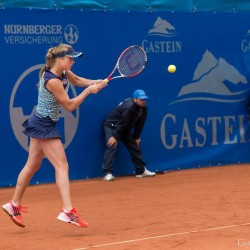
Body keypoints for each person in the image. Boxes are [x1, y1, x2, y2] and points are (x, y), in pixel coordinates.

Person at [2, 44, 106, 228]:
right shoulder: (52, 80)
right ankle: (68, 211)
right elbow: (70, 106)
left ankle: (13, 204)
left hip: (39, 122)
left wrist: (94, 82)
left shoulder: (63, 72)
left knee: (33, 164)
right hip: (43, 125)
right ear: (59, 59)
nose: (73, 61)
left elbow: (77, 80)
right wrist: (89, 91)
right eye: (70, 58)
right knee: (62, 165)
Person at [102, 89, 156, 181]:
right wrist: (115, 136)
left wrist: (136, 137)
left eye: (144, 99)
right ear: (135, 99)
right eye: (141, 99)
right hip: (111, 125)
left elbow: (140, 123)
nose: (143, 101)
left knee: (135, 146)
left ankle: (141, 170)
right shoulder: (129, 107)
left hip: (123, 127)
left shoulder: (144, 108)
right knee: (112, 145)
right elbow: (123, 123)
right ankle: (107, 173)